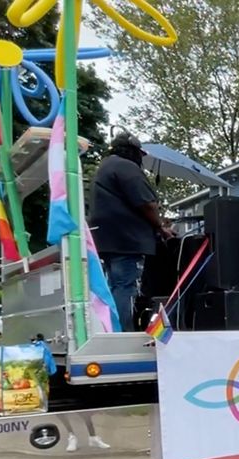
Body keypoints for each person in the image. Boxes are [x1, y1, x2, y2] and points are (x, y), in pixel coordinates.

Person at [89, 131, 174, 331]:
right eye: (140, 155)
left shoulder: (105, 167)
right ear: (132, 151)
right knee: (126, 288)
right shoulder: (126, 166)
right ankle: (124, 333)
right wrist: (161, 228)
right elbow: (147, 204)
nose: (141, 160)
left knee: (115, 286)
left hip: (108, 240)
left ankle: (111, 329)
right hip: (127, 241)